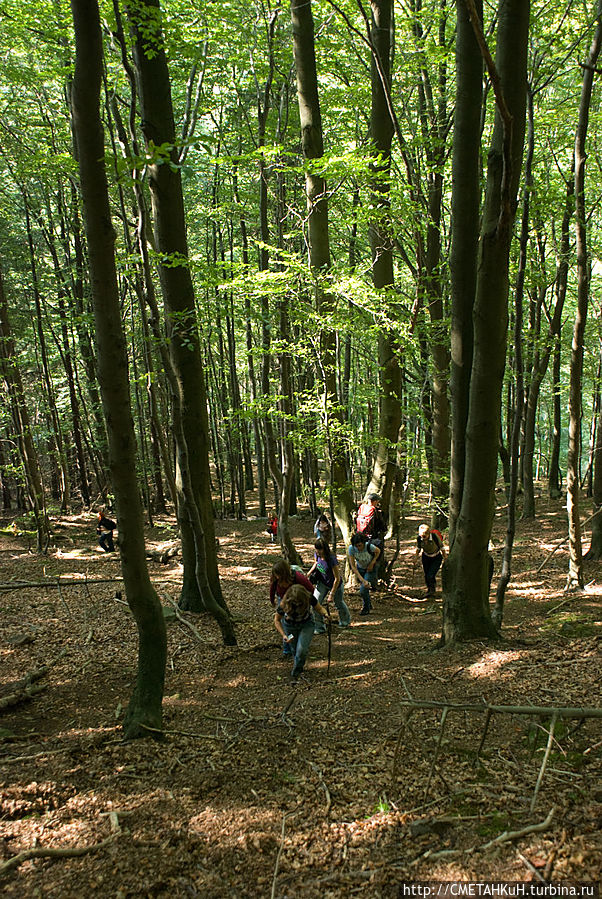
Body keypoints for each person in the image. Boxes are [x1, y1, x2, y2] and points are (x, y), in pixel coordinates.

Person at [274, 584, 328, 683]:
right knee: (294, 649)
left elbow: (319, 608)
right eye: (295, 602)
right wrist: (284, 635)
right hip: (290, 627)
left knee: (302, 649)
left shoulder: (308, 597)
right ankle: (299, 666)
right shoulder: (284, 604)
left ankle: (296, 672)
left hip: (306, 624)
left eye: (300, 602)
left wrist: (325, 614)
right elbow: (277, 620)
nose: (298, 604)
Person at [269, 560, 315, 657]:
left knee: (297, 621)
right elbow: (272, 587)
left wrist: (306, 601)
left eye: (279, 575)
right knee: (286, 624)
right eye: (276, 575)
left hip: (298, 600)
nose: (277, 577)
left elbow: (311, 589)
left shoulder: (298, 578)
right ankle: (287, 648)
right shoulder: (276, 578)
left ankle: (297, 643)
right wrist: (272, 599)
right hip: (283, 599)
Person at [307, 537, 351, 631]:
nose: (317, 551)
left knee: (338, 603)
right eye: (316, 549)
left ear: (324, 549)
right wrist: (309, 573)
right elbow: (316, 564)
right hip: (322, 582)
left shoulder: (331, 559)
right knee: (316, 603)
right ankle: (320, 627)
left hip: (335, 584)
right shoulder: (317, 555)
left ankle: (345, 622)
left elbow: (337, 578)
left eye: (319, 549)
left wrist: (332, 594)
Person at [347, 533, 381, 615]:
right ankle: (368, 604)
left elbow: (378, 551)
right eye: (356, 546)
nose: (358, 548)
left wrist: (372, 563)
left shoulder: (369, 546)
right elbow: (353, 566)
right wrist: (362, 580)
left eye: (360, 545)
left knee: (363, 590)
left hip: (370, 569)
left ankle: (366, 608)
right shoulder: (351, 549)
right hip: (360, 569)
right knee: (365, 587)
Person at [416, 524, 446, 597]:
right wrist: (415, 557)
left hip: (436, 557)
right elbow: (418, 548)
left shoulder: (435, 537)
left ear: (428, 533)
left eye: (424, 536)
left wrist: (445, 557)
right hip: (426, 557)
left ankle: (432, 590)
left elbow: (442, 547)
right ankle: (430, 590)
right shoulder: (419, 538)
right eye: (421, 535)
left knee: (431, 575)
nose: (423, 537)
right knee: (426, 575)